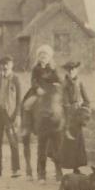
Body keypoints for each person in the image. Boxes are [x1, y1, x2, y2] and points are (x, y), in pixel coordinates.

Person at [20, 44, 60, 179]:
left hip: (49, 93)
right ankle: (26, 126)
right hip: (37, 92)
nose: (44, 57)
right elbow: (33, 81)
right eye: (42, 55)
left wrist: (57, 84)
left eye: (46, 55)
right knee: (27, 104)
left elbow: (58, 80)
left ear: (50, 58)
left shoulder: (53, 69)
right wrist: (37, 88)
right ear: (39, 57)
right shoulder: (36, 69)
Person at [0, 55, 23, 178]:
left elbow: (19, 100)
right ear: (0, 66)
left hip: (10, 115)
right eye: (2, 64)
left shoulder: (16, 79)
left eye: (7, 64)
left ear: (12, 65)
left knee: (13, 142)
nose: (5, 66)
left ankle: (16, 170)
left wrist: (17, 115)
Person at [57, 61, 90, 173]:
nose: (71, 71)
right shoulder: (64, 84)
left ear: (76, 70)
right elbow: (65, 103)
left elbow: (87, 100)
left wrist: (84, 109)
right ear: (67, 71)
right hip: (68, 115)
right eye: (69, 70)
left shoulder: (79, 82)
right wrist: (70, 111)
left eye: (73, 69)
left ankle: (76, 167)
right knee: (67, 142)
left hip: (78, 116)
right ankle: (62, 168)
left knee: (78, 143)